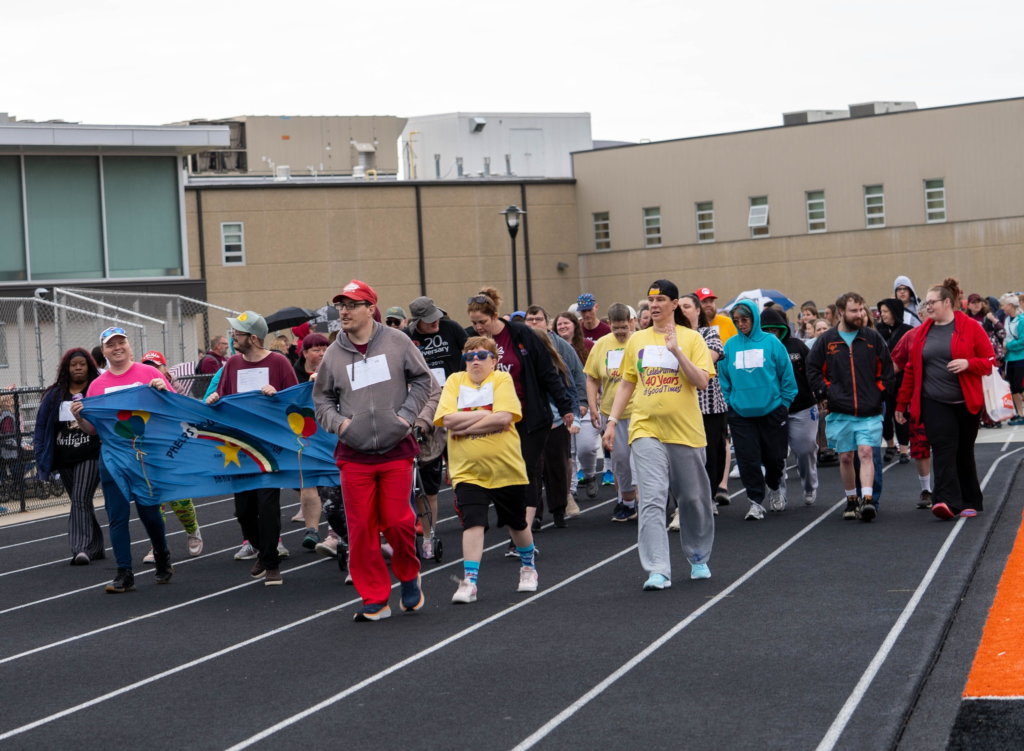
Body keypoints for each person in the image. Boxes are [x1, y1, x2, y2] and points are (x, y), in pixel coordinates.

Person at [313, 280, 435, 621]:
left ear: (371, 308)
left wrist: (405, 417)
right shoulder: (334, 353)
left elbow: (424, 381)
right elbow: (321, 398)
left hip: (396, 449)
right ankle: (375, 598)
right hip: (354, 455)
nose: (344, 311)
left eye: (352, 305)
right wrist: (340, 425)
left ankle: (409, 577)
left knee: (398, 522)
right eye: (341, 306)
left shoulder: (397, 342)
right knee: (362, 529)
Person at [603, 279, 715, 587]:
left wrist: (677, 352)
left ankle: (697, 556)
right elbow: (627, 382)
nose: (654, 304)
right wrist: (612, 422)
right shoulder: (637, 340)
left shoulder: (692, 338)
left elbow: (702, 381)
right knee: (651, 499)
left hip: (685, 431)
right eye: (650, 300)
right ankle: (658, 569)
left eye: (661, 299)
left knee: (692, 498)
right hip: (645, 427)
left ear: (675, 304)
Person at [467, 289, 573, 549]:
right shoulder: (475, 342)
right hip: (494, 419)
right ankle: (517, 524)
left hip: (529, 417)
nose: (479, 327)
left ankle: (522, 533)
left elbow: (547, 372)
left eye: (483, 321)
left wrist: (566, 405)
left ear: (495, 315)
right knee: (502, 474)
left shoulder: (520, 335)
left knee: (525, 470)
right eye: (474, 323)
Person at [71, 328, 175, 593]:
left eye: (122, 342)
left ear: (130, 346)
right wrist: (81, 417)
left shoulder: (150, 373)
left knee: (149, 512)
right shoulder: (97, 385)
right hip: (112, 457)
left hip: (145, 456)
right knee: (116, 516)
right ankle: (124, 573)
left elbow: (174, 409)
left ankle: (162, 554)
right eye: (111, 344)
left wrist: (164, 390)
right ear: (103, 351)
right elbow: (93, 431)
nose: (117, 347)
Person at [436, 337, 538, 602]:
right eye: (469, 356)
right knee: (473, 521)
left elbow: (505, 417)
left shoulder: (501, 381)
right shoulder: (455, 381)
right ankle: (469, 582)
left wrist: (465, 427)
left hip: (505, 468)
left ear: (494, 360)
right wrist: (487, 414)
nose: (475, 361)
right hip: (467, 470)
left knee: (516, 522)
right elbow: (447, 419)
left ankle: (528, 567)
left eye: (481, 356)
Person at [207, 311, 299, 586]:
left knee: (268, 507)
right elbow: (223, 400)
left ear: (254, 338)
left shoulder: (279, 362)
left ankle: (271, 564)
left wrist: (277, 396)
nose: (233, 336)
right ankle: (262, 549)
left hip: (269, 447)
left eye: (238, 333)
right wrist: (214, 398)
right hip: (241, 447)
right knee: (244, 512)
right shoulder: (232, 363)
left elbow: (295, 403)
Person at [897, 279, 995, 519]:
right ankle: (945, 502)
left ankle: (970, 499)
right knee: (942, 448)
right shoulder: (921, 332)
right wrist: (902, 403)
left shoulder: (971, 327)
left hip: (966, 402)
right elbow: (910, 369)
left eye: (932, 302)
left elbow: (990, 361)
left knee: (963, 451)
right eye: (926, 303)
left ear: (947, 302)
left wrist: (968, 363)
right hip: (934, 401)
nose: (928, 307)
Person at [807, 293, 894, 522]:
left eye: (862, 310)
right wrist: (826, 393)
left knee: (866, 452)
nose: (860, 314)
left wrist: (879, 393)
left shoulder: (873, 338)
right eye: (854, 311)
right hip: (840, 410)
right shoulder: (827, 341)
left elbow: (887, 369)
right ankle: (851, 499)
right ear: (841, 312)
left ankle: (868, 500)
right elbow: (813, 369)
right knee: (846, 457)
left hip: (869, 409)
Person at [718, 301, 798, 520]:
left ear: (754, 319)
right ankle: (755, 502)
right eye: (737, 321)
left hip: (773, 411)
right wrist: (729, 404)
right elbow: (723, 379)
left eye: (745, 320)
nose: (741, 324)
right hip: (741, 414)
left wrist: (784, 405)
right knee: (747, 460)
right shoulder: (730, 346)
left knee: (775, 458)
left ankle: (774, 487)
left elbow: (787, 377)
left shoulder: (771, 342)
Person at [402, 296, 467, 556]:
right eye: (429, 321)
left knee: (460, 459)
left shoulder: (452, 329)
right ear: (418, 322)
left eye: (436, 316)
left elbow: (472, 353)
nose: (436, 322)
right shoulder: (406, 338)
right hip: (423, 407)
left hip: (455, 402)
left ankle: (464, 499)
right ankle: (427, 535)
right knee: (424, 479)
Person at [33, 348, 105, 564]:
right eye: (74, 365)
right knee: (80, 501)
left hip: (91, 453)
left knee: (81, 498)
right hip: (64, 457)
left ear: (89, 366)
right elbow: (41, 425)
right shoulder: (54, 394)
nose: (78, 368)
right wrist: (39, 454)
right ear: (66, 367)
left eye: (82, 364)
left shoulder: (96, 389)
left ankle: (80, 548)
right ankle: (97, 546)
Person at [139, 350, 204, 560]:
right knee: (153, 501)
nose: (152, 370)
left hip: (174, 450)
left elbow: (185, 414)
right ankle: (157, 545)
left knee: (179, 501)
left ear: (165, 368)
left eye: (156, 366)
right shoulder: (138, 390)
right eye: (147, 366)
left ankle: (193, 531)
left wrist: (165, 393)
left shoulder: (175, 389)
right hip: (149, 452)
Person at [524, 305, 585, 520]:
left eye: (537, 319)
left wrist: (574, 412)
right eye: (529, 320)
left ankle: (559, 509)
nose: (533, 323)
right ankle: (536, 515)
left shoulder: (558, 357)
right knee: (533, 470)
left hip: (557, 420)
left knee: (558, 467)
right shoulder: (522, 361)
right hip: (532, 422)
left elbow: (571, 386)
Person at [760, 307, 820, 506]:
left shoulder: (796, 346)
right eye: (765, 331)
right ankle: (777, 491)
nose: (771, 335)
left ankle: (810, 485)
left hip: (802, 407)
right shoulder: (758, 350)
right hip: (771, 409)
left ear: (782, 329)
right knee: (774, 455)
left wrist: (819, 393)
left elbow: (813, 370)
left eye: (774, 330)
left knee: (805, 450)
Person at [585, 303, 639, 522]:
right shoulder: (601, 346)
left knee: (642, 462)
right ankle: (627, 504)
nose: (620, 332)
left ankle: (648, 504)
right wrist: (592, 407)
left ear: (631, 322)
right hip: (611, 414)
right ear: (609, 324)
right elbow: (591, 377)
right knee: (621, 462)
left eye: (624, 327)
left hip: (639, 411)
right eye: (616, 328)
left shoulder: (640, 341)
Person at [677, 295, 728, 518]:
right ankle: (683, 502)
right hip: (679, 406)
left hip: (709, 406)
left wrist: (678, 353)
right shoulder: (670, 337)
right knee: (681, 455)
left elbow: (706, 361)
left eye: (687, 306)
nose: (682, 310)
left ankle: (709, 496)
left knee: (711, 455)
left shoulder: (710, 334)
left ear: (698, 310)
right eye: (679, 307)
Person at [555, 311, 601, 498]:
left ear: (575, 325)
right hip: (563, 404)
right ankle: (571, 490)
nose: (563, 327)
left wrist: (592, 398)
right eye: (559, 324)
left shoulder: (588, 346)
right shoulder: (552, 347)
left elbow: (595, 375)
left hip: (586, 402)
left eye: (566, 323)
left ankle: (589, 475)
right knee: (569, 451)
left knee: (586, 447)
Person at [891, 323, 934, 508]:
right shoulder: (911, 336)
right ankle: (926, 490)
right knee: (920, 446)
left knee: (949, 447)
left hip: (947, 400)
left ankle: (952, 489)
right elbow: (896, 364)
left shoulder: (954, 330)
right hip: (919, 402)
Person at [876, 299, 915, 462]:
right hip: (882, 380)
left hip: (902, 378)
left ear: (895, 311)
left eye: (886, 311)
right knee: (885, 415)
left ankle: (904, 449)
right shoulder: (877, 331)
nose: (882, 314)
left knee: (902, 413)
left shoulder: (908, 330)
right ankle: (890, 445)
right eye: (881, 311)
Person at [999, 294, 1024, 425]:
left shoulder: (1022, 320)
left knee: (1018, 385)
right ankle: (1020, 413)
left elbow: (1023, 341)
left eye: (1003, 304)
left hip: (1020, 357)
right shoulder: (1007, 319)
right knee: (1013, 387)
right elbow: (1006, 336)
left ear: (1009, 305)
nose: (1002, 307)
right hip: (1009, 358)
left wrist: (1007, 346)